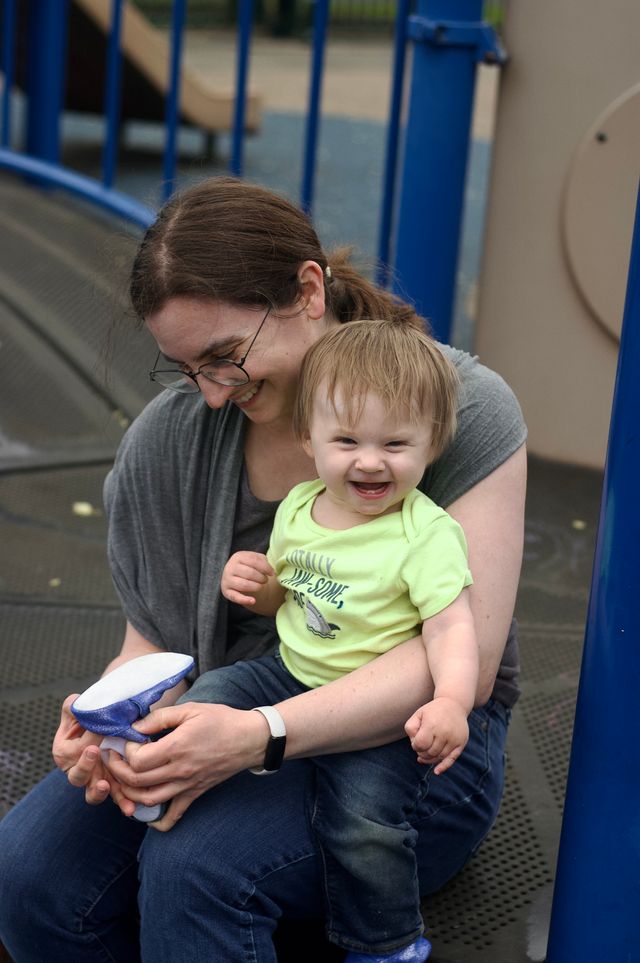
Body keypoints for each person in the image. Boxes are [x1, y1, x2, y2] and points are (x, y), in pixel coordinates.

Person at [0, 176, 527, 963]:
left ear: (308, 289)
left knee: (198, 864)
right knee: (28, 872)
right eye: (186, 370)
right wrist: (108, 722)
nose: (212, 395)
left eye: (225, 357)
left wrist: (255, 737)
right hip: (237, 701)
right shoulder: (170, 438)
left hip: (409, 747)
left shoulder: (458, 407)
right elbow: (155, 638)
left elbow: (464, 664)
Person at [188, 318, 478, 961]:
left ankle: (387, 942)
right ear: (309, 439)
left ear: (432, 443)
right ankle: (168, 775)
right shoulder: (299, 507)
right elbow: (286, 597)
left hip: (375, 709)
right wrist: (256, 585)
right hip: (291, 669)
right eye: (346, 439)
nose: (370, 460)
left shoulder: (424, 535)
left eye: (396, 443)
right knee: (207, 693)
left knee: (362, 822)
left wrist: (451, 703)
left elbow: (453, 627)